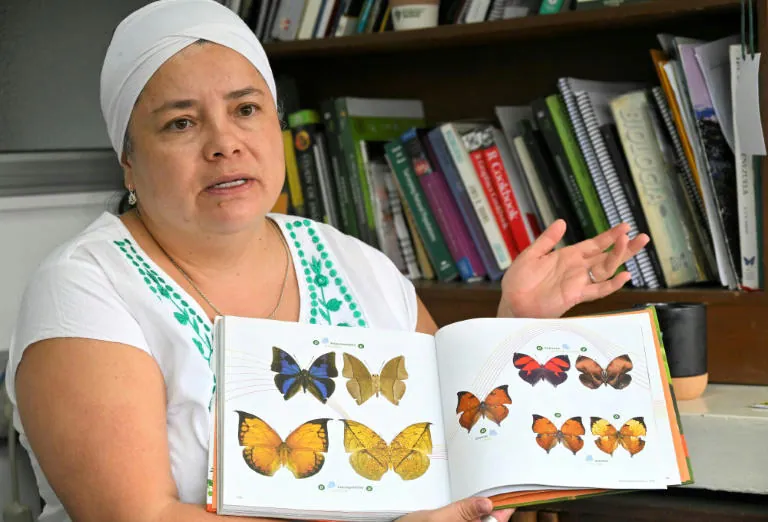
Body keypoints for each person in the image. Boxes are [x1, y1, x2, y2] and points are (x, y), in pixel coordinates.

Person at [4, 1, 649, 521]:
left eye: (247, 109)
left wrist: (512, 326)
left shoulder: (350, 261)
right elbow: (140, 518)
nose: (224, 143)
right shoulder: (84, 290)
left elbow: (454, 448)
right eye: (180, 124)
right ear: (128, 161)